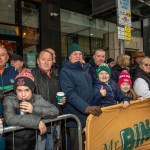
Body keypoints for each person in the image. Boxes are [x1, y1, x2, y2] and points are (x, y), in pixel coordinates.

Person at [3, 68, 59, 150]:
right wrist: (37, 122)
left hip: (32, 144)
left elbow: (55, 111)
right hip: (14, 144)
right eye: (19, 90)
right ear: (15, 90)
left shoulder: (36, 98)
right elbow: (10, 118)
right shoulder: (10, 99)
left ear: (32, 90)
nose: (23, 94)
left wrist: (33, 109)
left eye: (27, 90)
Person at [59, 43, 102, 150]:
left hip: (89, 116)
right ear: (69, 57)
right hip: (76, 118)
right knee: (78, 146)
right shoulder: (65, 71)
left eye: (80, 54)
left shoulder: (85, 69)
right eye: (75, 54)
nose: (78, 56)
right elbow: (69, 93)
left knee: (89, 145)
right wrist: (85, 108)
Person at [31, 49, 65, 150]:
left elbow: (60, 96)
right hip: (40, 124)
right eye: (43, 59)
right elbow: (27, 100)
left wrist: (63, 102)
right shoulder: (32, 75)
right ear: (38, 61)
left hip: (55, 122)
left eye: (49, 60)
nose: (46, 62)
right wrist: (36, 121)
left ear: (52, 61)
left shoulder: (56, 75)